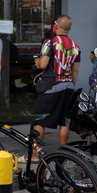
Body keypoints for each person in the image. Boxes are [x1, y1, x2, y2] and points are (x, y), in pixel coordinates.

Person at [33, 15, 80, 145]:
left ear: (56, 26)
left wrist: (37, 63)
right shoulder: (76, 47)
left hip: (51, 84)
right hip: (69, 85)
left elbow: (43, 65)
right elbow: (75, 71)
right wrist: (70, 85)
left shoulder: (50, 42)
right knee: (64, 120)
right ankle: (63, 151)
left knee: (38, 119)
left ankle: (36, 153)